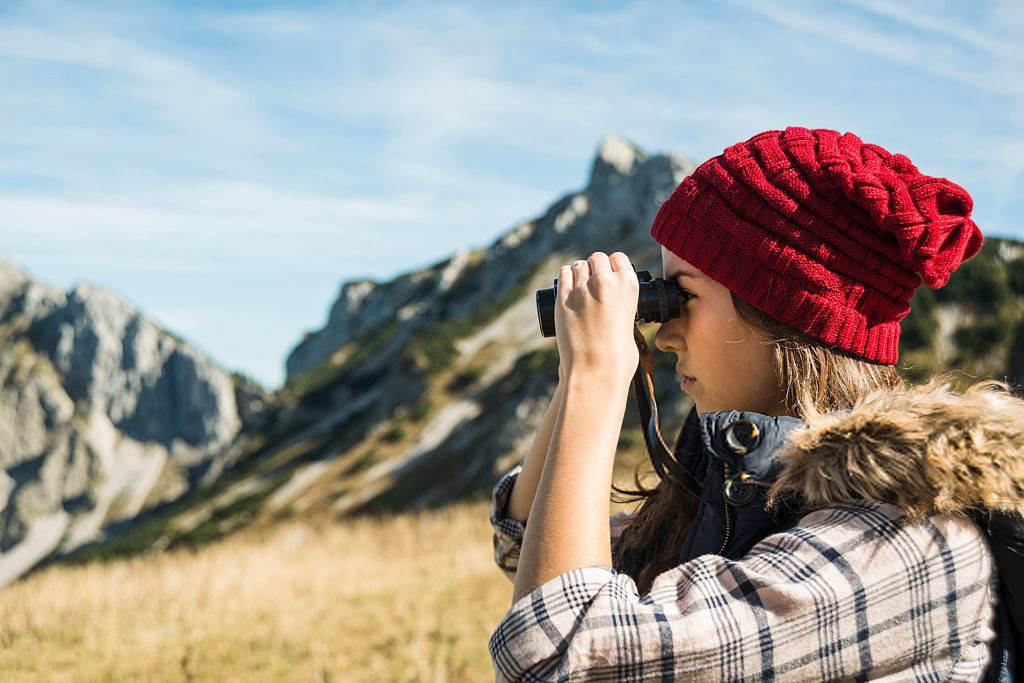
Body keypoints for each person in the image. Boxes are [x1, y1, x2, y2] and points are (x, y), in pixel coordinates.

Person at [486, 127, 1024, 681]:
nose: (665, 333)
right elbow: (525, 541)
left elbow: (552, 653)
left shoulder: (906, 540)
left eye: (683, 296)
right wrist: (577, 372)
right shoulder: (733, 493)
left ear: (782, 311)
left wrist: (593, 379)